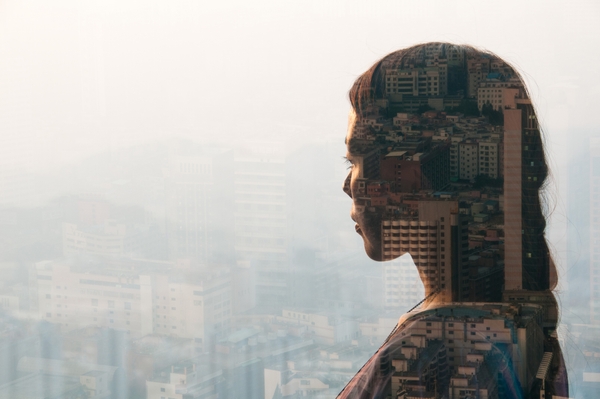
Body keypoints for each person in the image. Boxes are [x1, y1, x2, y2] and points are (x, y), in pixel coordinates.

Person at [339, 42, 568, 398]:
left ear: (414, 173)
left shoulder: (433, 360)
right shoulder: (523, 326)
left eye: (355, 160)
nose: (346, 185)